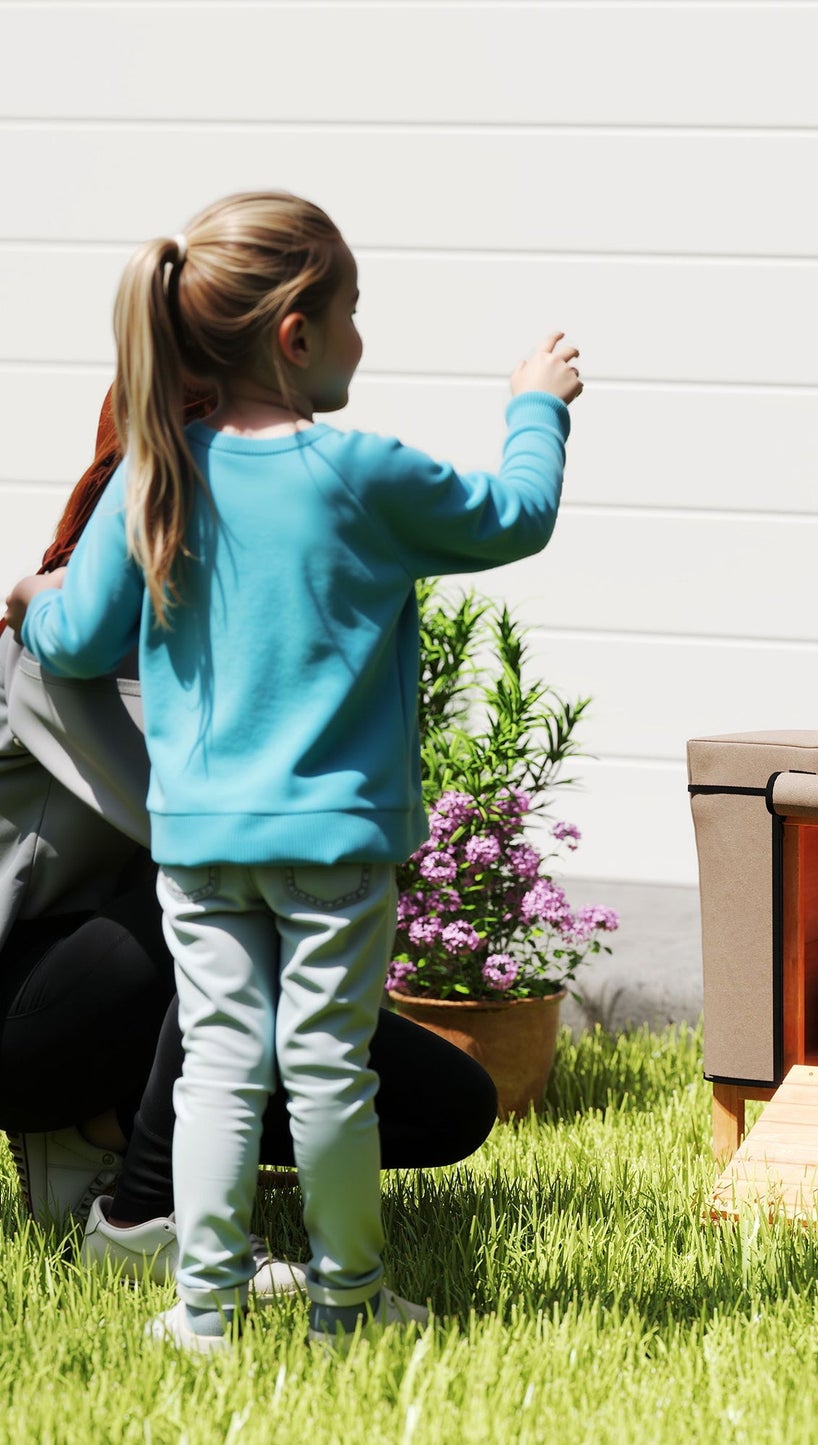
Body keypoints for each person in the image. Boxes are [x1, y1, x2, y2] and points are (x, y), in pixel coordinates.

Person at [7, 190, 580, 1352]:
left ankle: (202, 1308)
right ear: (294, 334)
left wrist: (38, 597)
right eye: (354, 312)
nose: (362, 338)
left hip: (203, 845)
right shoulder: (361, 473)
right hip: (333, 846)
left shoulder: (153, 473)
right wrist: (538, 405)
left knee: (219, 1064)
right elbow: (518, 517)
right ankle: (346, 1296)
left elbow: (65, 642)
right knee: (324, 1069)